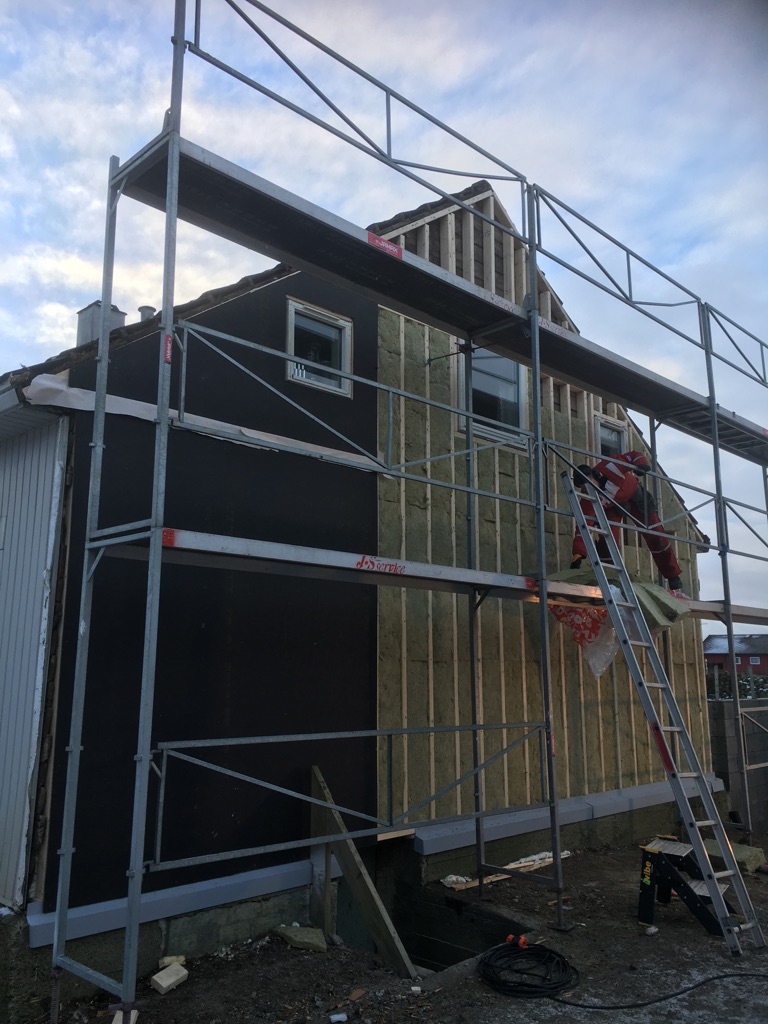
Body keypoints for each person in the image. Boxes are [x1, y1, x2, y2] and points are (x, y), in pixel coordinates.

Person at [570, 450, 684, 592]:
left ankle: (673, 576)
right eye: (583, 488)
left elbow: (633, 455)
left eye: (588, 485)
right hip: (614, 507)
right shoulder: (588, 498)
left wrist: (641, 464)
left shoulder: (610, 466)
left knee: (656, 534)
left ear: (594, 475)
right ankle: (611, 579)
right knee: (607, 542)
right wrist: (578, 553)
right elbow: (584, 525)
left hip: (634, 495)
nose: (587, 490)